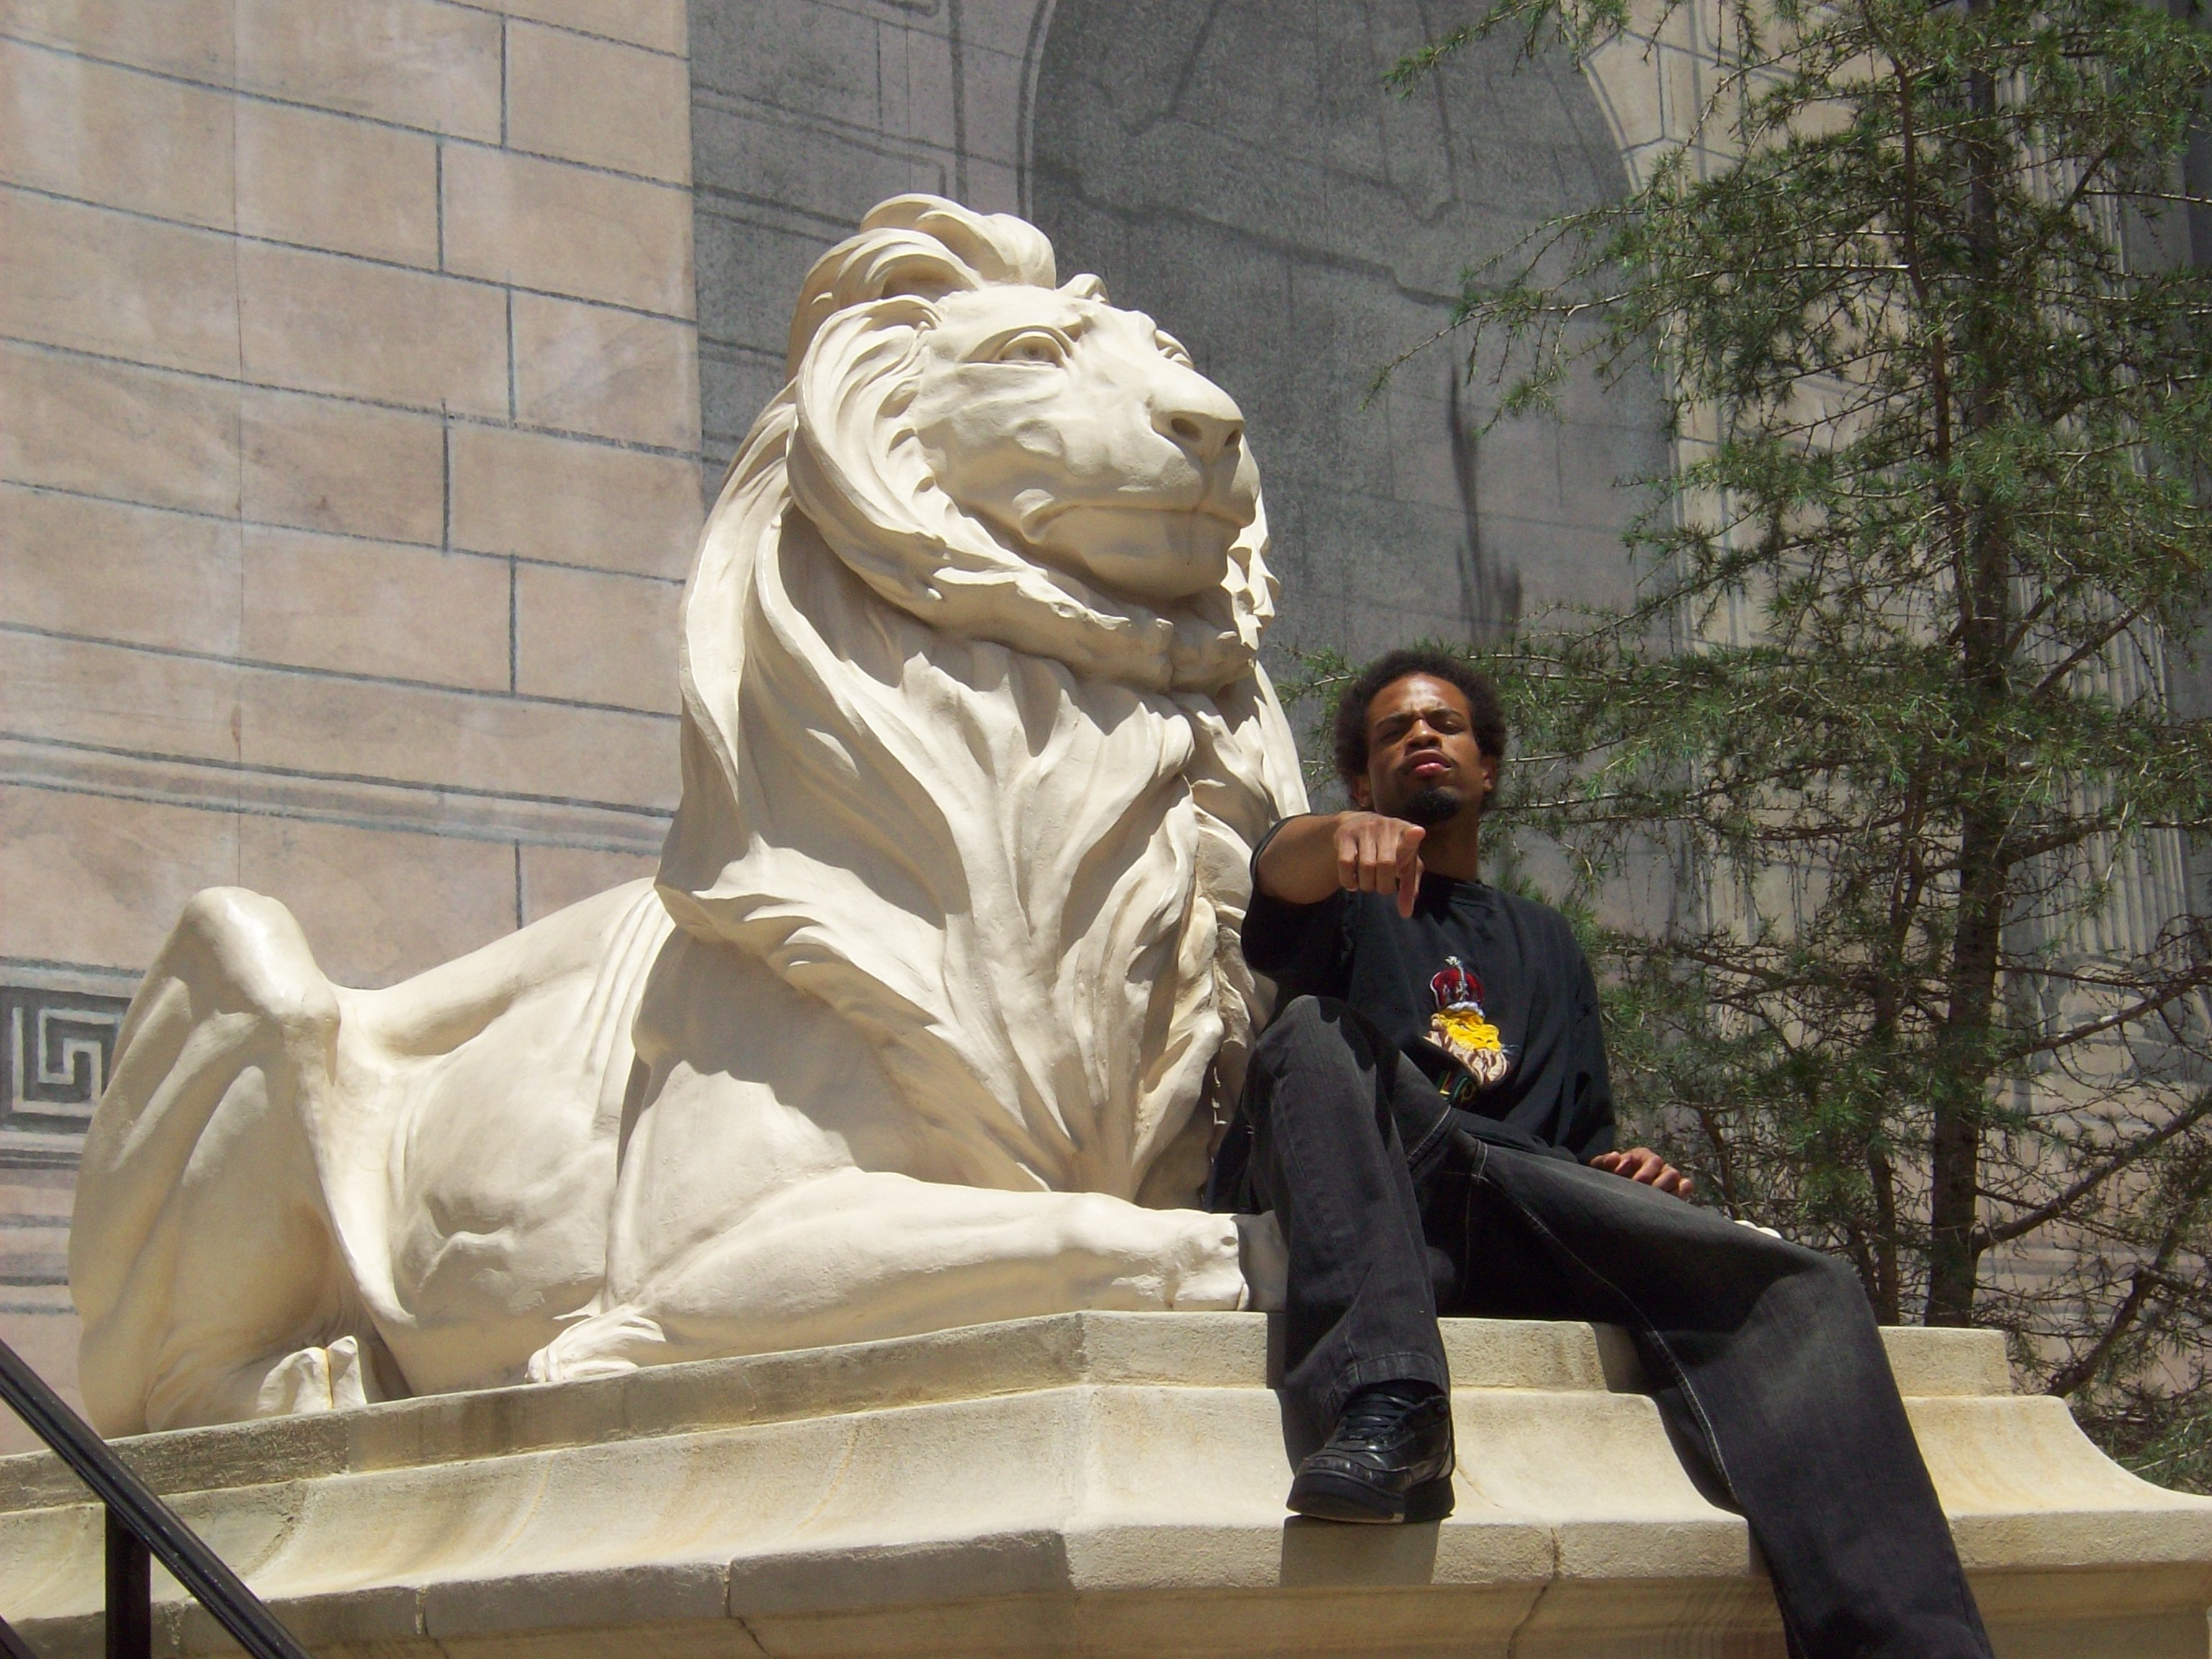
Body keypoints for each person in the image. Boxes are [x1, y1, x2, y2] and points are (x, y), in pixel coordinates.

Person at [1208, 647, 1993, 1659]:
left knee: (1804, 1288)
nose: (1421, 736)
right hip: (1396, 1176)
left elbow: (1582, 1137)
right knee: (1311, 1032)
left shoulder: (1547, 941)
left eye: (1444, 723)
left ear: (1488, 765)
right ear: (1364, 781)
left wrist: (1631, 1173)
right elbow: (1280, 875)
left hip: (1527, 1198)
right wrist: (1333, 837)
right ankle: (1388, 1406)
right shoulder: (1346, 892)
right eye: (1393, 732)